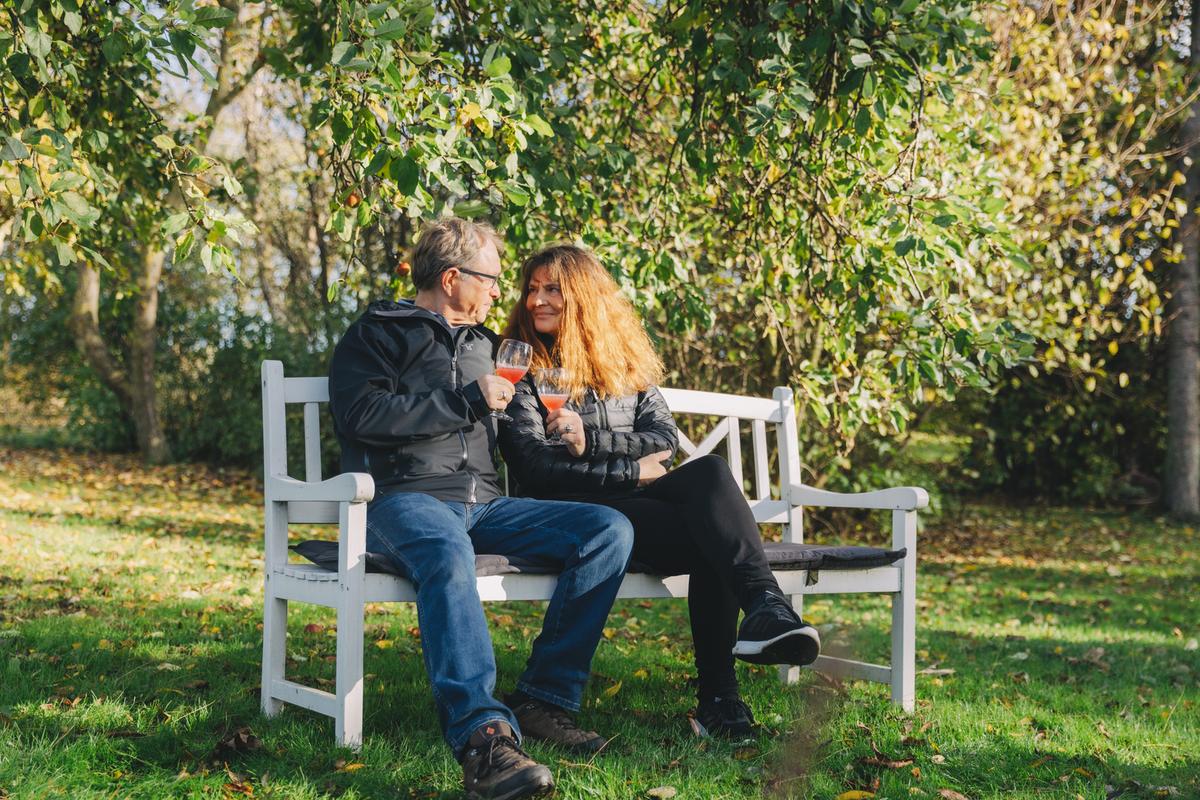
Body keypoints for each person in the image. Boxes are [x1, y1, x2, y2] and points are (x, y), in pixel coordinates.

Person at [328, 220, 635, 800]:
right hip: (405, 500)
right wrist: (465, 400)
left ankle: (545, 699)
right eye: (491, 279)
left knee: (608, 530)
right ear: (452, 278)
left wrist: (573, 439)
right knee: (448, 550)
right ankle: (485, 739)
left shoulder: (490, 345)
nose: (500, 292)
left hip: (488, 506)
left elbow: (526, 437)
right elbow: (361, 416)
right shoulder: (378, 332)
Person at [497, 244, 821, 739]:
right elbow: (536, 468)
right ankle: (724, 692)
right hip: (572, 516)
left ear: (583, 296)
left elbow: (664, 440)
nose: (536, 300)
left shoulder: (626, 366)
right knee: (711, 533)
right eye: (531, 289)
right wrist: (633, 472)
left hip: (635, 513)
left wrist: (591, 442)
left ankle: (764, 612)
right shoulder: (521, 370)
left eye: (552, 289)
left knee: (710, 474)